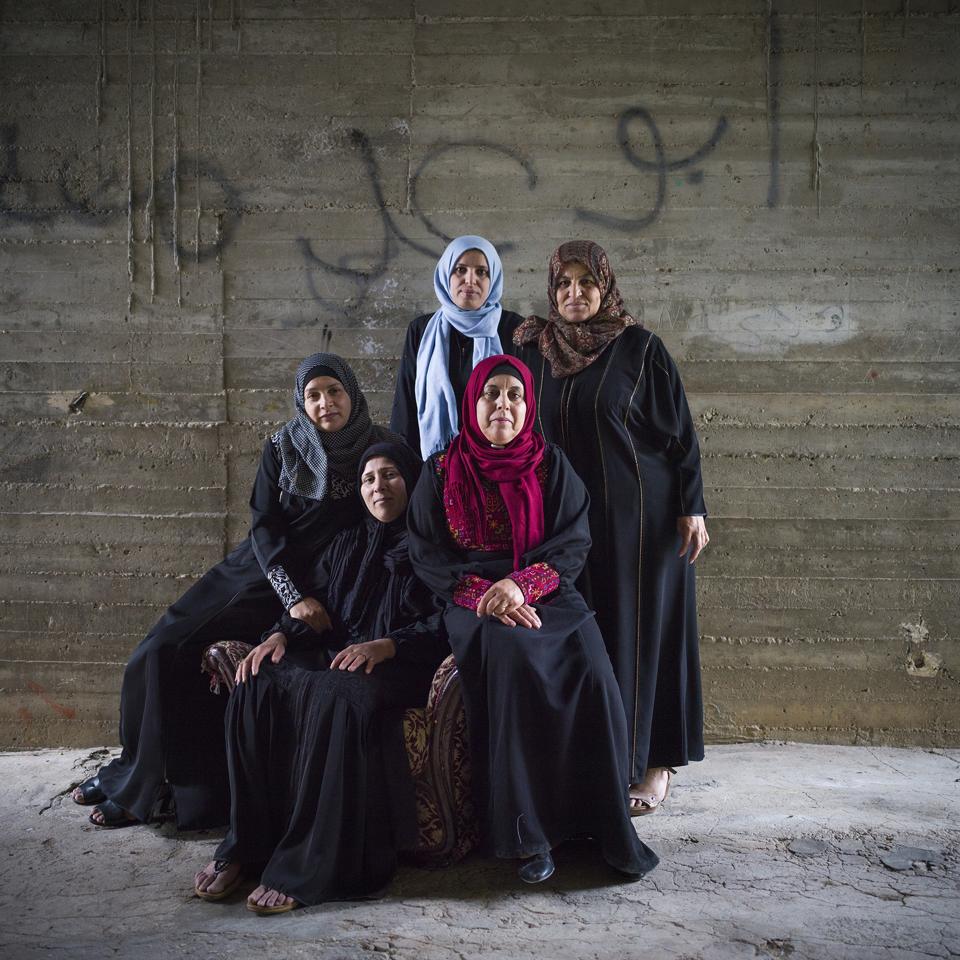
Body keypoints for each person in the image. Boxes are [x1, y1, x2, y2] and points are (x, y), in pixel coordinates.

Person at [72, 353, 397, 829]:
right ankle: (129, 771)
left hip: (329, 580)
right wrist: (290, 596)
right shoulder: (283, 446)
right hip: (259, 573)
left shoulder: (380, 447)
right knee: (157, 649)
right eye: (313, 395)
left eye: (335, 391)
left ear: (353, 393)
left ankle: (147, 786)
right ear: (301, 403)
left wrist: (311, 600)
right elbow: (264, 527)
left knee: (177, 659)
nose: (325, 403)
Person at [407, 354, 658, 883]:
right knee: (517, 659)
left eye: (514, 395)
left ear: (528, 406)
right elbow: (427, 554)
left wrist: (522, 584)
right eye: (490, 394)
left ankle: (603, 826)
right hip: (472, 599)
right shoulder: (439, 469)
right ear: (472, 402)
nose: (502, 404)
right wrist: (485, 592)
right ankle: (530, 838)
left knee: (589, 663)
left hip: (544, 587)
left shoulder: (550, 464)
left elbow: (573, 541)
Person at [193, 441, 447, 914]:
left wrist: (388, 644)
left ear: (411, 482)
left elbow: (447, 621)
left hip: (400, 668)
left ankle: (305, 865)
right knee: (256, 682)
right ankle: (245, 846)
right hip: (341, 657)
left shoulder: (433, 544)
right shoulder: (347, 541)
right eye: (369, 478)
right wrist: (279, 637)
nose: (378, 487)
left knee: (336, 694)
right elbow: (319, 609)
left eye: (390, 475)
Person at [513, 240, 709, 815]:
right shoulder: (536, 350)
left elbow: (681, 437)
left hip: (641, 522)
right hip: (566, 526)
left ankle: (654, 765)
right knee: (590, 638)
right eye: (564, 284)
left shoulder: (639, 348)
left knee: (644, 636)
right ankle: (600, 761)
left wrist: (692, 507)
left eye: (586, 283)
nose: (575, 294)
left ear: (605, 287)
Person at [390, 234, 528, 459]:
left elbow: (525, 406)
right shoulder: (422, 330)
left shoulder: (514, 329)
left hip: (498, 463)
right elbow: (405, 408)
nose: (470, 280)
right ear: (446, 274)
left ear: (493, 278)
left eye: (481, 272)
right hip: (436, 464)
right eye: (460, 270)